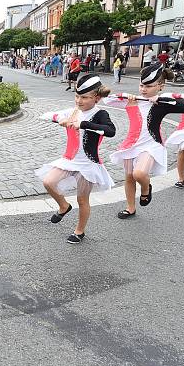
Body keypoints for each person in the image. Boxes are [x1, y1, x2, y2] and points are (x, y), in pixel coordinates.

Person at [105, 63, 184, 218]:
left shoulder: (162, 102)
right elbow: (108, 100)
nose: (143, 89)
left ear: (160, 86)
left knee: (139, 174)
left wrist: (160, 99)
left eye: (148, 86)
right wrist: (127, 95)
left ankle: (146, 189)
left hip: (151, 144)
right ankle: (130, 207)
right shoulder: (133, 100)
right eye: (141, 85)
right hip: (131, 144)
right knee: (129, 177)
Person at [36, 74, 116, 244]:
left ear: (97, 98)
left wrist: (84, 125)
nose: (79, 101)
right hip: (69, 159)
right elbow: (45, 115)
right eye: (77, 96)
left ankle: (79, 231)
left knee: (82, 199)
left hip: (88, 163)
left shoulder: (100, 113)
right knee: (49, 182)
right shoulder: (73, 111)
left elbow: (110, 131)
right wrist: (60, 119)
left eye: (84, 97)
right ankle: (64, 206)